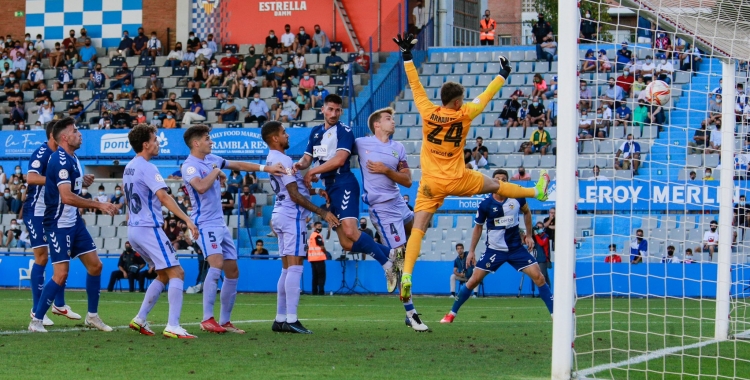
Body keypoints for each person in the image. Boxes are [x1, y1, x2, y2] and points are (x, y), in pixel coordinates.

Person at [392, 33, 550, 302]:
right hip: (458, 179)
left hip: (430, 183)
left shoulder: (428, 111)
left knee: (418, 228)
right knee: (496, 184)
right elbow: (486, 96)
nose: (464, 102)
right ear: (456, 102)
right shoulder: (465, 113)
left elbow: (416, 85)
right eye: (462, 99)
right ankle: (536, 193)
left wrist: (407, 56)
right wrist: (503, 74)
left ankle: (407, 275)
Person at [181, 124, 286, 333]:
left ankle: (225, 321)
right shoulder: (189, 166)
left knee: (232, 271)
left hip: (220, 223)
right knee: (217, 263)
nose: (211, 142)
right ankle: (206, 319)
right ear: (196, 143)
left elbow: (238, 164)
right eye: (207, 138)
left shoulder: (212, 159)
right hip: (204, 223)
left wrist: (266, 169)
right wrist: (217, 171)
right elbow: (200, 186)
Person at [294, 93, 401, 293]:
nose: (333, 113)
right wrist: (298, 165)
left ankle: (388, 266)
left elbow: (340, 160)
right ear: (323, 110)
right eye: (330, 109)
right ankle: (393, 254)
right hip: (329, 188)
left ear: (341, 112)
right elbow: (307, 159)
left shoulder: (344, 131)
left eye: (337, 110)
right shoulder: (315, 132)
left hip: (344, 184)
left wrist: (314, 171)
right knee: (346, 243)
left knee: (351, 231)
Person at [29, 117, 119, 333]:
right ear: (64, 137)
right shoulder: (59, 160)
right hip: (59, 224)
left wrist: (82, 181)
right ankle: (36, 320)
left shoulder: (73, 158)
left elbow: (72, 189)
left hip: (74, 223)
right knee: (60, 274)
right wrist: (98, 204)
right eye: (76, 131)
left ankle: (92, 316)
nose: (80, 134)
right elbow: (67, 197)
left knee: (96, 266)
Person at [440, 169, 553, 323]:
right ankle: (451, 313)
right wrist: (471, 251)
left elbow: (527, 212)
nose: (500, 181)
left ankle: (555, 315)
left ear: (508, 182)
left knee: (539, 277)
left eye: (504, 179)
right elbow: (478, 227)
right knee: (473, 280)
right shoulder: (485, 204)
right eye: (497, 179)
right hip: (494, 250)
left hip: (516, 249)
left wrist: (528, 235)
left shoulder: (517, 197)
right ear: (491, 182)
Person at [355, 107, 429, 331]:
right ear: (376, 124)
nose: (393, 122)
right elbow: (339, 153)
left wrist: (386, 170)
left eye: (393, 118)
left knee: (416, 234)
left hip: (399, 202)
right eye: (388, 119)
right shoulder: (361, 143)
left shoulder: (398, 148)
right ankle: (411, 314)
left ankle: (390, 255)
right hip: (382, 208)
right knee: (401, 263)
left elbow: (407, 180)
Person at [263, 121, 339, 334]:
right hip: (291, 216)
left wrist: (315, 192)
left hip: (280, 213)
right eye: (284, 133)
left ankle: (280, 318)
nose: (287, 135)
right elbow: (294, 195)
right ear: (275, 138)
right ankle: (292, 319)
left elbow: (293, 189)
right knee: (295, 267)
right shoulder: (283, 159)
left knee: (287, 268)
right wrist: (322, 211)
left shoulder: (272, 158)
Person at [123, 124, 198, 338]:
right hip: (148, 228)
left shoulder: (129, 167)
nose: (158, 143)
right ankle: (173, 325)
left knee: (164, 274)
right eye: (155, 140)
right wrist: (187, 220)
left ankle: (140, 319)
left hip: (134, 230)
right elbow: (164, 197)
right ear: (145, 145)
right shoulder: (148, 167)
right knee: (177, 272)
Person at [24, 121, 81, 327]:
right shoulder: (43, 153)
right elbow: (30, 177)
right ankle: (36, 309)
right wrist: (53, 179)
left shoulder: (66, 157)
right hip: (35, 212)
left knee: (59, 257)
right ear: (54, 136)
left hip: (50, 212)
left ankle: (59, 304)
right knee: (42, 257)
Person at [308, 221, 328, 295]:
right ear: (315, 226)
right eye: (318, 227)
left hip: (312, 259)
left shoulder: (312, 235)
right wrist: (325, 253)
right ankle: (321, 291)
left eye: (321, 227)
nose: (320, 228)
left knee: (315, 276)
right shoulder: (317, 235)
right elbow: (321, 246)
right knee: (321, 276)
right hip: (319, 258)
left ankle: (314, 291)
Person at [532, 221, 551, 286]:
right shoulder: (535, 237)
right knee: (545, 276)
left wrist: (536, 235)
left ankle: (545, 292)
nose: (539, 228)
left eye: (540, 227)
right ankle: (548, 291)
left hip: (544, 259)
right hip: (537, 258)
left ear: (543, 228)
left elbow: (541, 243)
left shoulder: (545, 236)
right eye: (538, 227)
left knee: (542, 276)